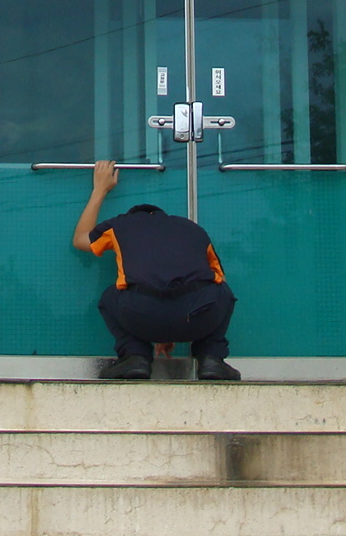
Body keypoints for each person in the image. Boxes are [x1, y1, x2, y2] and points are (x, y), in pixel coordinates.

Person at [73, 160, 239, 381]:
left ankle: (135, 357)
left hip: (142, 315)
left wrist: (100, 190)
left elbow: (80, 239)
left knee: (110, 296)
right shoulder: (193, 229)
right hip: (198, 317)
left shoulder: (121, 225)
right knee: (223, 292)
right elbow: (218, 278)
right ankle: (211, 359)